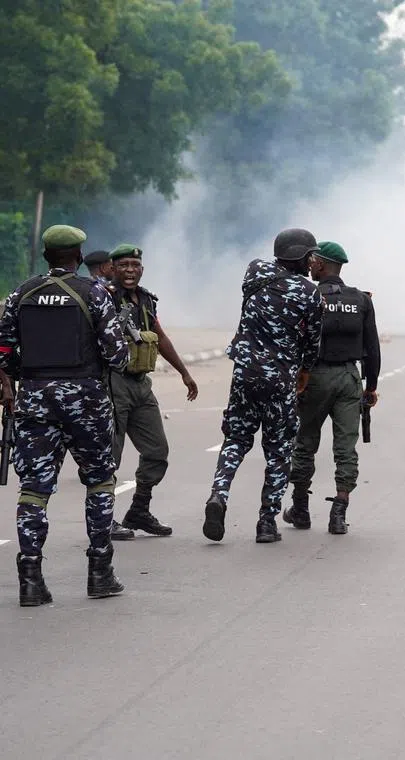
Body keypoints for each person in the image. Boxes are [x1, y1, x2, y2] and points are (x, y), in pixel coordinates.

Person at [0, 224, 132, 606]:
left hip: (35, 400)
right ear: (78, 256)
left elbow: (4, 351)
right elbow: (118, 358)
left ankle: (30, 579)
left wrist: (11, 384)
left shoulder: (20, 294)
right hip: (86, 401)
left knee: (34, 490)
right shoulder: (95, 294)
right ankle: (100, 573)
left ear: (45, 256)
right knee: (100, 483)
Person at [202, 228, 323, 544]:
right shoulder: (310, 293)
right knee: (279, 450)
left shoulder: (255, 270)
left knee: (235, 439)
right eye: (310, 255)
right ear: (299, 255)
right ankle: (267, 522)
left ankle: (219, 494)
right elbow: (312, 343)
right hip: (280, 379)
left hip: (244, 374)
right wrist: (305, 372)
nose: (314, 261)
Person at [284, 241, 381, 535]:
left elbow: (294, 342)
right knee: (345, 447)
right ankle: (339, 512)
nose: (309, 264)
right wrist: (371, 387)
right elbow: (372, 348)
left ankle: (300, 508)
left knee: (305, 443)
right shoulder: (361, 300)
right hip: (349, 379)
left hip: (313, 378)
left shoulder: (307, 296)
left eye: (313, 260)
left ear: (323, 265)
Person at [105, 244, 199, 540]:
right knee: (110, 456)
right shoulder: (103, 298)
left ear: (142, 269)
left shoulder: (146, 300)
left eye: (135, 265)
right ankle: (102, 519)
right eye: (124, 265)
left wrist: (184, 372)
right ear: (112, 268)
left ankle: (139, 510)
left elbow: (159, 337)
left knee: (157, 451)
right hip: (112, 383)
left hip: (140, 384)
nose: (130, 270)